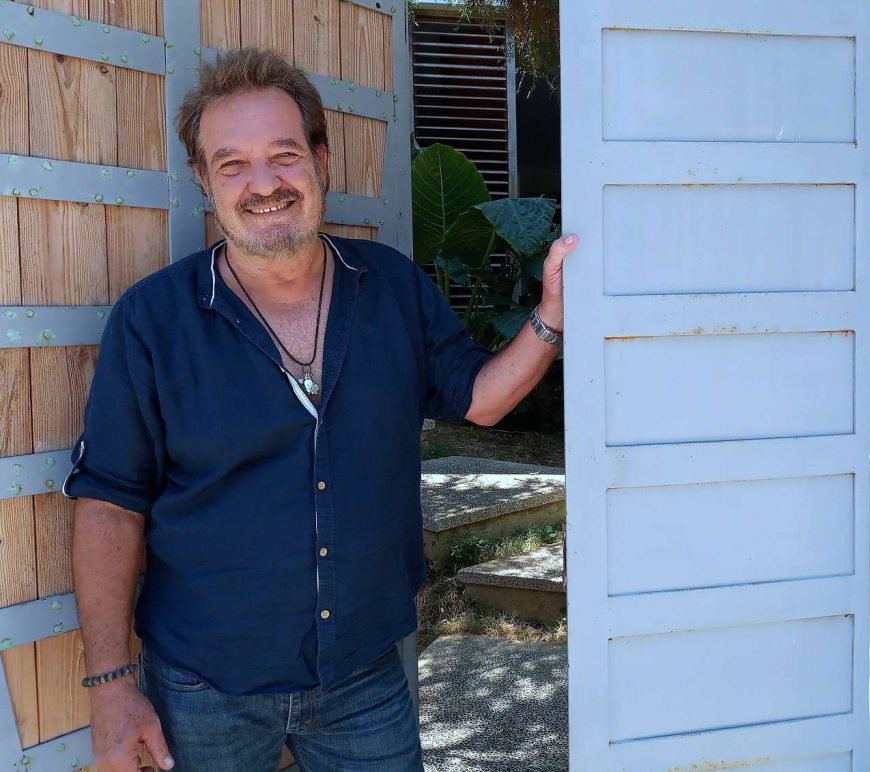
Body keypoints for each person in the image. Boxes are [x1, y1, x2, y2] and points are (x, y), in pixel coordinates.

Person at [64, 48, 577, 772]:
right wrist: (113, 688)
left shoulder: (394, 290)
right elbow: (109, 505)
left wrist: (552, 313)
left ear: (321, 160)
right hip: (202, 688)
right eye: (232, 164)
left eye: (282, 154)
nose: (263, 184)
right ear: (204, 180)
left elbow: (482, 399)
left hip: (363, 678)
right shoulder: (152, 322)